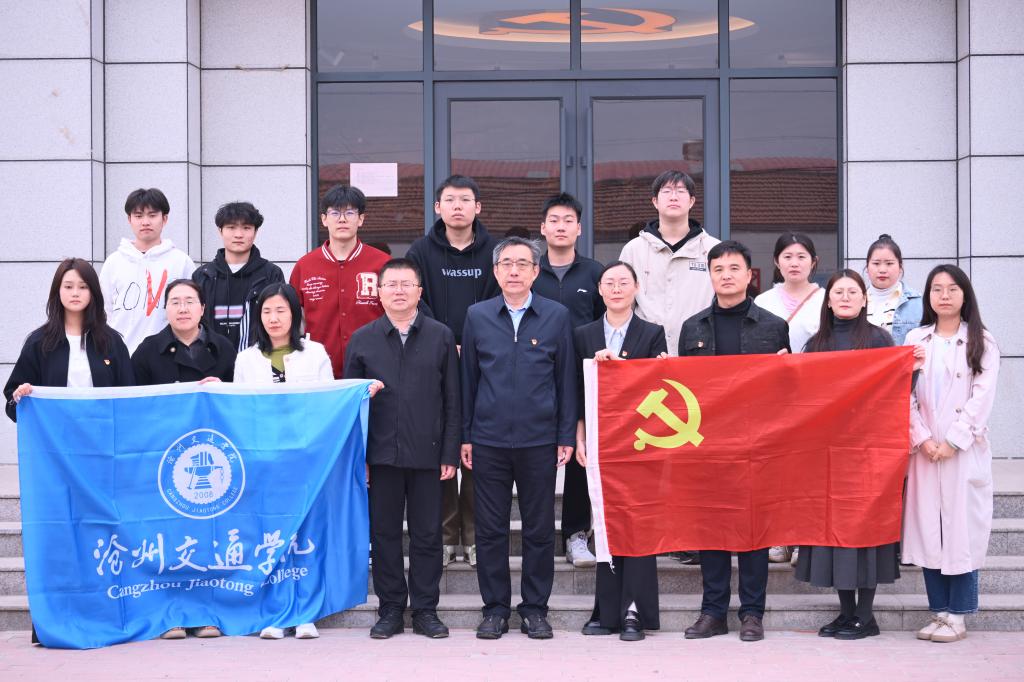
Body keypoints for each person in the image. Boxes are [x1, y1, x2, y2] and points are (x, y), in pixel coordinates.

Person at [794, 269, 924, 640]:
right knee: (833, 532)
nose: (846, 297)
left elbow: (896, 389)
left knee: (866, 531)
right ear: (828, 301)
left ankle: (866, 616)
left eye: (853, 291)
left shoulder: (880, 340)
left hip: (868, 453)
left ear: (864, 299)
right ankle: (846, 612)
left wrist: (912, 368)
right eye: (839, 292)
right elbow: (801, 396)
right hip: (826, 455)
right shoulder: (815, 345)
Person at [460, 237, 577, 640]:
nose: (513, 271)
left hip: (539, 440)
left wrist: (565, 433)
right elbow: (467, 380)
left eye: (522, 264)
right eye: (506, 263)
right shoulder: (477, 316)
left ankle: (534, 609)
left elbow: (566, 380)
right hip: (488, 440)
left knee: (539, 530)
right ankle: (495, 609)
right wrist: (466, 435)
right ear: (495, 272)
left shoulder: (556, 316)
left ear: (535, 271)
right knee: (490, 530)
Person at [678, 240, 790, 642]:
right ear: (710, 275)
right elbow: (683, 390)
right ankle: (713, 612)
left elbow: (788, 392)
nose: (726, 275)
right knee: (711, 528)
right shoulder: (693, 327)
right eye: (718, 269)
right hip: (707, 443)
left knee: (754, 530)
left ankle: (752, 613)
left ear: (749, 275)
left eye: (733, 268)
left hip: (756, 443)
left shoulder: (773, 326)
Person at [345, 258, 461, 641]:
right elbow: (351, 407)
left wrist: (449, 453)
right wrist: (358, 458)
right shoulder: (362, 339)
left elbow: (453, 399)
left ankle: (425, 609)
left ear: (419, 292)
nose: (398, 290)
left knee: (428, 535)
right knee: (385, 535)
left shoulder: (441, 336)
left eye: (406, 284)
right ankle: (391, 608)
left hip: (429, 455)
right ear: (378, 292)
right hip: (380, 456)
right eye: (391, 284)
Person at [407, 175, 499, 568]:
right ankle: (446, 536)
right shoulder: (420, 251)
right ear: (437, 207)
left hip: (486, 360)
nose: (457, 206)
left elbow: (500, 296)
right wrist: (445, 340)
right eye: (450, 199)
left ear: (478, 207)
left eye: (465, 200)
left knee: (477, 447)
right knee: (442, 446)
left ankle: (475, 536)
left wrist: (473, 340)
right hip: (435, 357)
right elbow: (416, 299)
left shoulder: (495, 251)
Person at [904, 265, 1000, 644]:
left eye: (952, 289)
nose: (944, 296)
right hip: (926, 451)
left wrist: (953, 441)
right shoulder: (916, 339)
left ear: (965, 295)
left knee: (961, 532)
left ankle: (958, 615)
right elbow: (904, 395)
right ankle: (939, 612)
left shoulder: (982, 341)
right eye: (937, 289)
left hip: (962, 451)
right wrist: (923, 438)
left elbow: (982, 398)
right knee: (930, 532)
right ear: (928, 295)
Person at [574, 261, 667, 641]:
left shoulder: (653, 333)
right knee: (605, 523)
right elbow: (574, 391)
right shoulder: (583, 334)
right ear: (599, 289)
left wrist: (624, 368)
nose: (616, 289)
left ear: (636, 288)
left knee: (638, 525)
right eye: (609, 282)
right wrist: (579, 437)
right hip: (600, 442)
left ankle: (634, 612)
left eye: (623, 282)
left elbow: (660, 387)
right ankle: (607, 611)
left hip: (640, 444)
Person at [233, 282, 331, 639]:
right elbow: (239, 410)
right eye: (266, 311)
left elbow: (328, 404)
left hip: (305, 460)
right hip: (264, 462)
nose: (274, 318)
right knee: (270, 537)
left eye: (281, 310)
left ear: (295, 314)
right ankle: (275, 613)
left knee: (305, 536)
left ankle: (306, 613)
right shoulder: (246, 359)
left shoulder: (315, 353)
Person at [532, 192, 604, 569]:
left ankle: (577, 534)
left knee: (579, 456)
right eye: (554, 221)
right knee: (537, 457)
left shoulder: (594, 273)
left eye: (568, 221)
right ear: (543, 228)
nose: (561, 227)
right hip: (535, 379)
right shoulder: (529, 271)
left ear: (579, 229)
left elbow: (606, 323)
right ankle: (540, 533)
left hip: (583, 379)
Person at [753, 232, 824, 565]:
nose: (794, 263)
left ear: (814, 262)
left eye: (801, 257)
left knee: (806, 469)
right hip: (771, 396)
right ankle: (778, 537)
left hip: (814, 397)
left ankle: (802, 539)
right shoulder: (762, 301)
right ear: (776, 262)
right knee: (775, 468)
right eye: (788, 257)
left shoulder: (827, 299)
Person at [5, 258, 134, 419]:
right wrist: (20, 395)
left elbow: (130, 399)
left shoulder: (111, 341)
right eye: (68, 286)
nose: (75, 293)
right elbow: (13, 404)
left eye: (83, 287)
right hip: (55, 433)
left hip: (102, 432)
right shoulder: (39, 342)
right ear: (57, 290)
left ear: (93, 291)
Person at [289, 185, 389, 379]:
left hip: (374, 368)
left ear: (361, 219)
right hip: (319, 371)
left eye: (350, 213)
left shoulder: (382, 264)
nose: (342, 219)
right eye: (335, 213)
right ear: (324, 219)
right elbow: (294, 323)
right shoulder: (305, 266)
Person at [619, 169, 719, 356]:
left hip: (698, 350)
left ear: (692, 201)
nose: (674, 197)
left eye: (680, 191)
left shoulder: (712, 249)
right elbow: (624, 305)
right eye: (666, 191)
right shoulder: (634, 249)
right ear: (655, 201)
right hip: (646, 350)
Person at [99, 188, 196, 353]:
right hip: (120, 354)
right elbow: (104, 310)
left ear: (164, 219)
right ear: (129, 219)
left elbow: (191, 311)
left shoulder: (181, 262)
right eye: (138, 216)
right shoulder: (114, 262)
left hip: (167, 354)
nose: (145, 222)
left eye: (152, 215)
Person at [192, 201, 284, 351]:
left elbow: (280, 319)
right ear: (220, 231)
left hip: (258, 359)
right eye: (231, 227)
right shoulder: (203, 275)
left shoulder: (271, 274)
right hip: (210, 359)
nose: (239, 235)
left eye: (246, 228)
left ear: (255, 232)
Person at [131, 279, 237, 388]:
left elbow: (237, 394)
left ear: (202, 309)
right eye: (175, 303)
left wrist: (222, 389)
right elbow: (136, 395)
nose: (183, 309)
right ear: (165, 309)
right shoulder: (147, 350)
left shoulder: (224, 348)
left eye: (189, 302)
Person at [864, 234, 923, 346]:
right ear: (867, 267)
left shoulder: (919, 303)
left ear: (900, 267)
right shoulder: (856, 301)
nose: (882, 270)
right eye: (876, 263)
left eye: (889, 263)